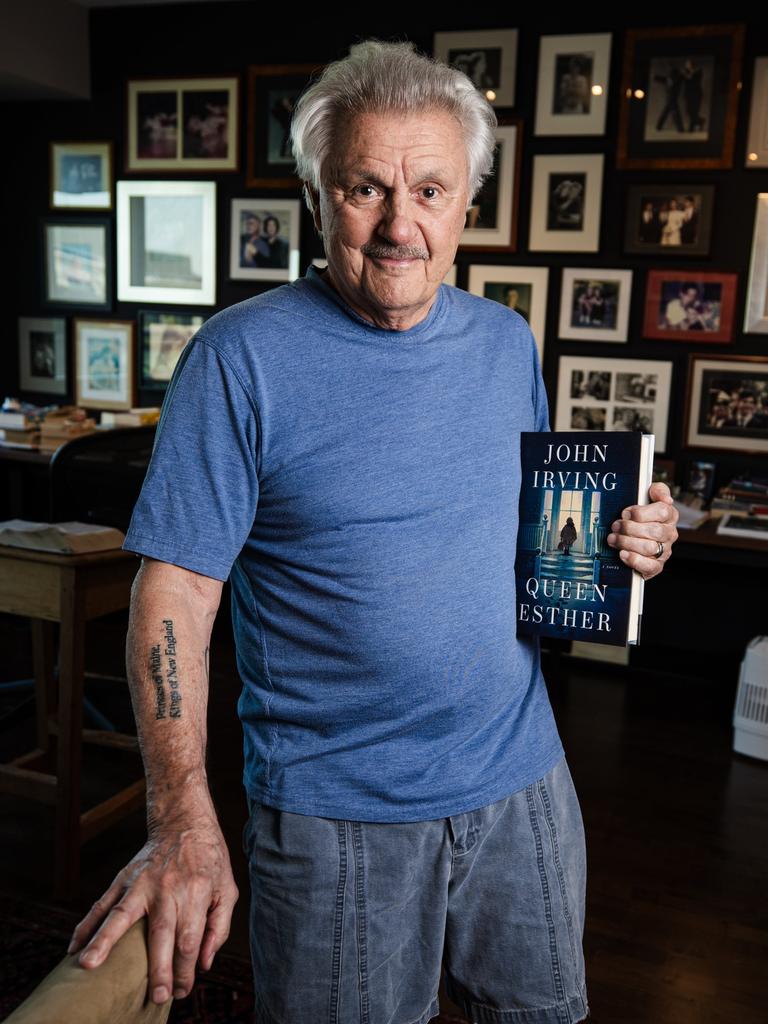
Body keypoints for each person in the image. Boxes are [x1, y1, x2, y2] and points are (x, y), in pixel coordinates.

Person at [67, 40, 679, 1024]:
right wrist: (182, 818)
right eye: (366, 189)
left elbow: (531, 537)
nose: (402, 225)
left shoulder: (504, 341)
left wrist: (630, 537)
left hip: (522, 781)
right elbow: (174, 590)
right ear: (318, 196)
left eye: (431, 190)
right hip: (334, 816)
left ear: (466, 205)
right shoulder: (240, 358)